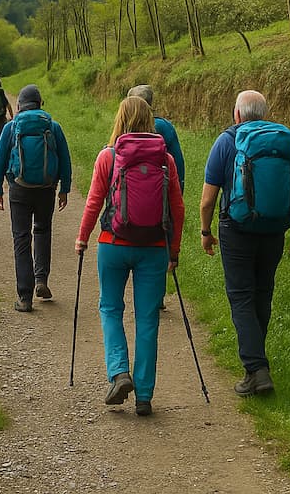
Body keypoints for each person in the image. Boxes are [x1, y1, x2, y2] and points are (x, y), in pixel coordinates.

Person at [76, 96, 184, 416]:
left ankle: (119, 372)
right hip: (154, 247)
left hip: (113, 243)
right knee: (147, 319)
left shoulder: (108, 157)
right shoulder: (165, 159)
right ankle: (145, 396)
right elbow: (177, 209)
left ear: (120, 119)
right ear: (150, 120)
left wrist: (82, 238)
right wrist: (173, 250)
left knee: (110, 308)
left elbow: (94, 202)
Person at [199, 90, 290, 396]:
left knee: (241, 297)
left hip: (236, 230)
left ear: (237, 114)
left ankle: (256, 369)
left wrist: (206, 232)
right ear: (264, 114)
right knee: (263, 293)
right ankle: (257, 364)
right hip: (274, 229)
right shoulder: (282, 142)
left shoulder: (227, 141)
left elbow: (207, 200)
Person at [0, 84, 72, 312]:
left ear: (19, 105)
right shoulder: (53, 127)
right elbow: (65, 159)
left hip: (19, 189)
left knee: (21, 238)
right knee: (43, 231)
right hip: (46, 188)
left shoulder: (11, 127)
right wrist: (64, 189)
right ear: (40, 103)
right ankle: (41, 280)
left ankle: (24, 297)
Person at [127, 84, 185, 311]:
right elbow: (178, 163)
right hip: (163, 193)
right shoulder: (164, 127)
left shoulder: (127, 127)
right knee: (161, 242)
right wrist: (178, 192)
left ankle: (141, 290)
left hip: (134, 196)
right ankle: (157, 294)